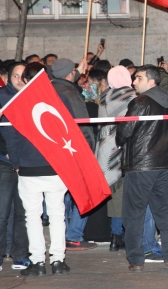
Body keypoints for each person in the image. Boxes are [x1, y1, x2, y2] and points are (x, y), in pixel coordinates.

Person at [0, 62, 69, 276]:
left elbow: (11, 138)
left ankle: (38, 262)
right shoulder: (60, 98)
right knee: (57, 214)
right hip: (56, 165)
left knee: (32, 216)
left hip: (29, 167)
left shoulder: (18, 102)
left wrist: (18, 164)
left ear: (27, 80)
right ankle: (58, 260)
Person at [117, 65, 168, 271]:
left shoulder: (140, 102)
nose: (134, 82)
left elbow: (125, 131)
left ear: (151, 82)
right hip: (165, 164)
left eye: (138, 78)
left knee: (134, 213)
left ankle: (136, 260)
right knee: (164, 211)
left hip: (141, 164)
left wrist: (119, 138)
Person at [50, 58, 97, 251]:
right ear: (69, 74)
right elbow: (82, 123)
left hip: (56, 149)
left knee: (61, 195)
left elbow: (66, 76)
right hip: (75, 148)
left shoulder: (49, 88)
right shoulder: (71, 93)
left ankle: (62, 234)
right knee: (82, 192)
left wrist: (78, 69)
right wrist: (90, 149)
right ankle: (74, 236)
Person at [95, 66, 137, 252]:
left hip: (106, 147)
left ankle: (114, 236)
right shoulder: (133, 96)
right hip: (126, 147)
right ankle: (127, 236)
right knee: (129, 196)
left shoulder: (104, 96)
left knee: (115, 197)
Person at [0, 63, 31, 274]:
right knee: (1, 213)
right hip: (4, 163)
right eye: (15, 75)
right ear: (8, 78)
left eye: (23, 76)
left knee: (24, 212)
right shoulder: (0, 95)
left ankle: (20, 254)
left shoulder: (35, 98)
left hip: (27, 164)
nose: (19, 79)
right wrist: (8, 152)